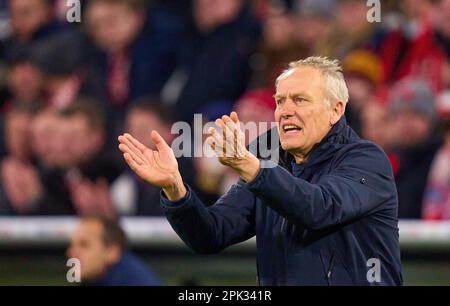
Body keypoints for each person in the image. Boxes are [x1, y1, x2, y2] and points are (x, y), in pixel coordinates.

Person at [118, 56, 402, 285]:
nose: (285, 111)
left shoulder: (365, 159)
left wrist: (250, 166)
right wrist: (175, 189)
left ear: (336, 110)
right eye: (280, 101)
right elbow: (212, 233)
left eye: (300, 100)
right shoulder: (268, 154)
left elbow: (318, 208)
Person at [67, 215, 161, 286]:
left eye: (84, 245)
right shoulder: (94, 278)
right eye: (72, 245)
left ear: (112, 252)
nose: (71, 253)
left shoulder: (138, 282)